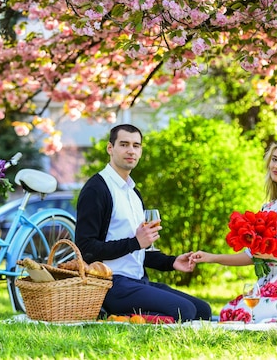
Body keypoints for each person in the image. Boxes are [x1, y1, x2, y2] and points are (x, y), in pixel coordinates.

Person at [75, 124, 211, 322]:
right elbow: (85, 249)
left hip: (138, 282)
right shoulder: (97, 189)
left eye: (136, 145)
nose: (131, 150)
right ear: (110, 148)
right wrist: (135, 242)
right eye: (124, 144)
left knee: (202, 310)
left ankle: (129, 316)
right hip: (110, 285)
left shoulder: (133, 193)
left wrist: (171, 262)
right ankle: (114, 316)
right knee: (185, 312)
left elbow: (140, 252)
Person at [190, 140, 277, 324]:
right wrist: (211, 257)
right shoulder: (268, 208)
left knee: (244, 316)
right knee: (230, 312)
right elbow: (253, 256)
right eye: (274, 159)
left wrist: (276, 252)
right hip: (267, 284)